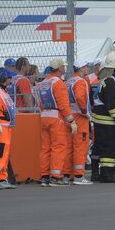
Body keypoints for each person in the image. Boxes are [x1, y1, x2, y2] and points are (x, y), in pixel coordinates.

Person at [91, 49, 115, 183]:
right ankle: (107, 175)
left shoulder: (106, 81)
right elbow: (111, 104)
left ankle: (97, 173)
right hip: (108, 123)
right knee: (109, 149)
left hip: (102, 122)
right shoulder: (111, 82)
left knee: (99, 147)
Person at [37, 58, 74, 187]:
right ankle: (56, 177)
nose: (65, 68)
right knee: (58, 147)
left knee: (45, 147)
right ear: (60, 68)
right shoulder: (59, 83)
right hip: (56, 117)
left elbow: (41, 103)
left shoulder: (44, 82)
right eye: (63, 66)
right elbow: (63, 104)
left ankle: (45, 176)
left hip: (44, 116)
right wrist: (71, 120)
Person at [65, 59, 93, 185]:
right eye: (86, 66)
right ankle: (79, 176)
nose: (88, 68)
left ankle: (68, 174)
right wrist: (84, 112)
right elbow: (81, 99)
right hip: (80, 118)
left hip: (70, 116)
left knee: (70, 147)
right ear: (81, 68)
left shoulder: (70, 80)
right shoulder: (80, 81)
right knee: (80, 147)